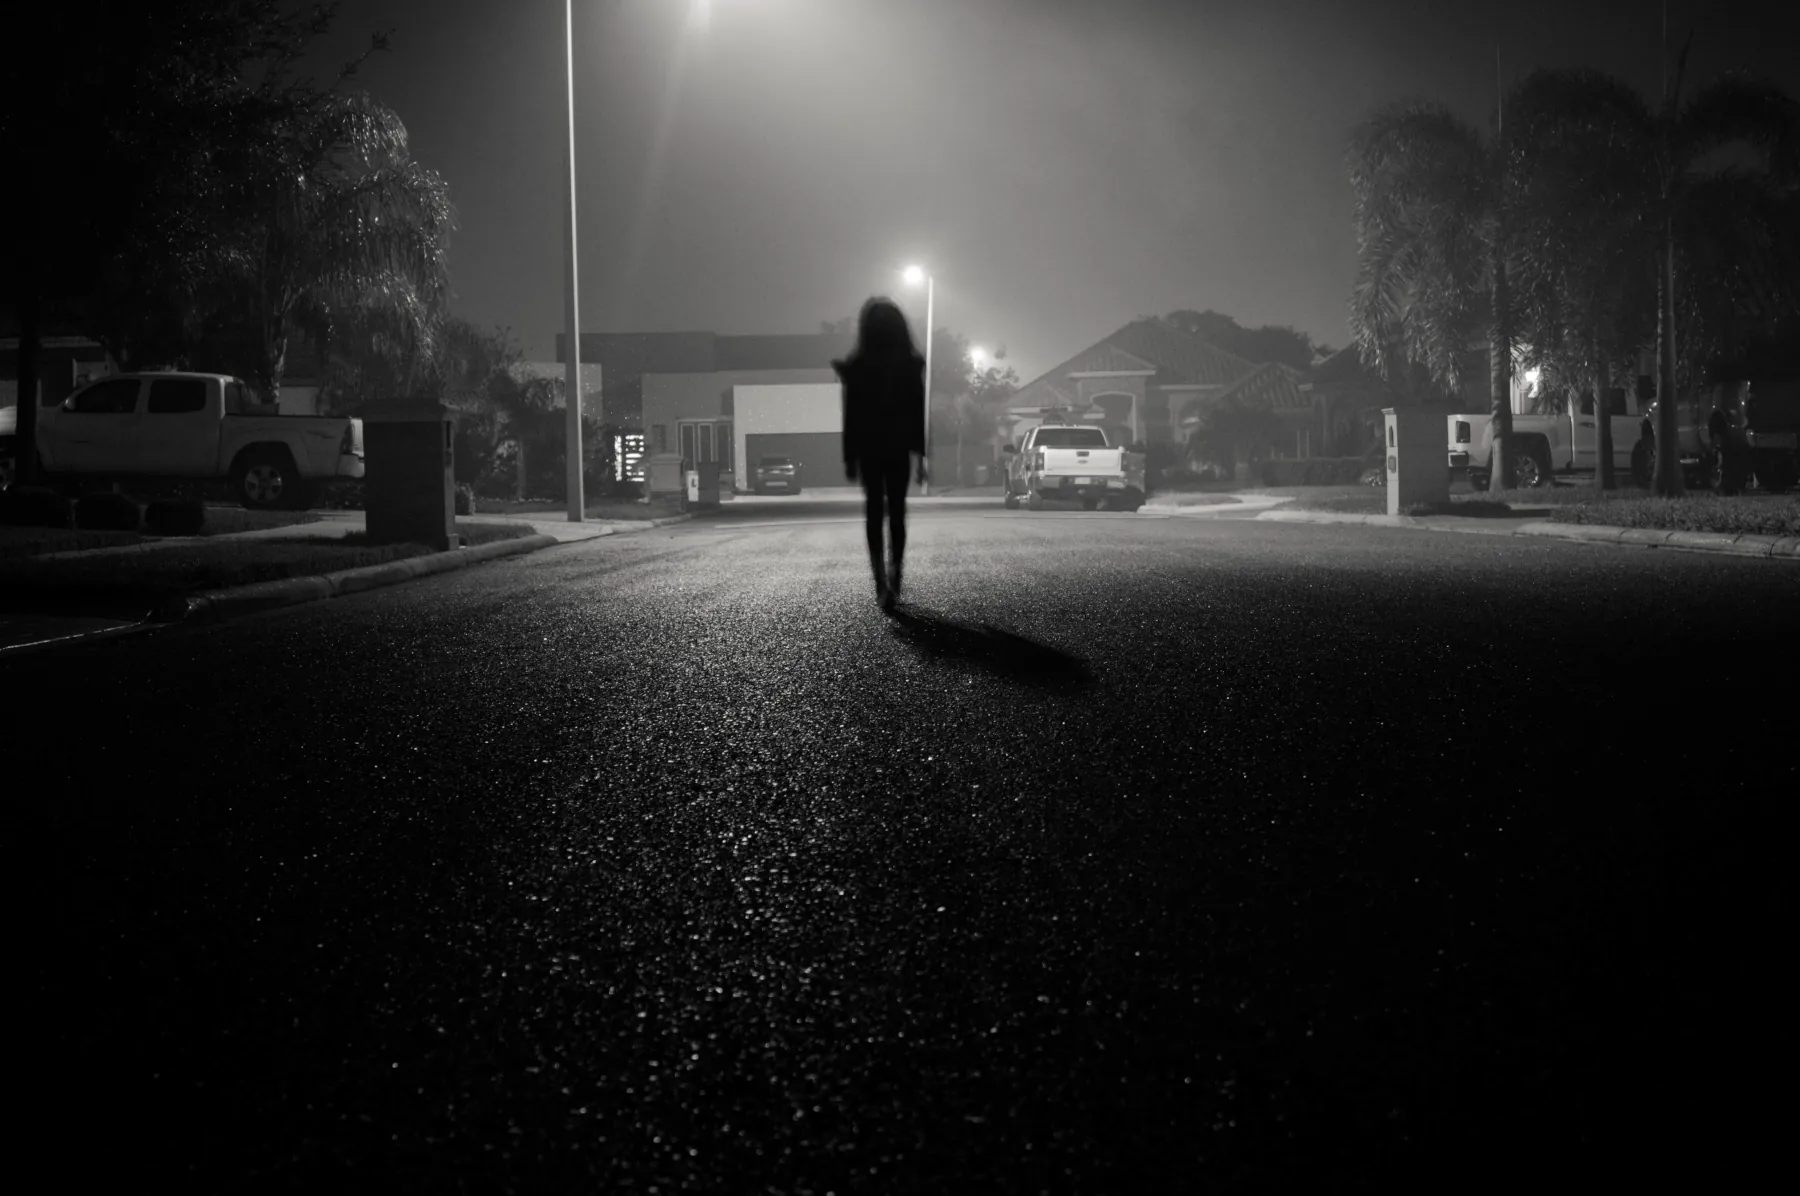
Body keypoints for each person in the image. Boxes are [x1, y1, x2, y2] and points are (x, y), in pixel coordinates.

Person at [833, 297, 928, 612]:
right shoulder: (909, 365)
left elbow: (851, 414)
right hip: (898, 446)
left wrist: (849, 456)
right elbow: (917, 412)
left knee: (875, 510)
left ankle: (880, 582)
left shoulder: (858, 367)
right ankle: (894, 571)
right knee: (897, 512)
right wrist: (922, 455)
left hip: (870, 446)